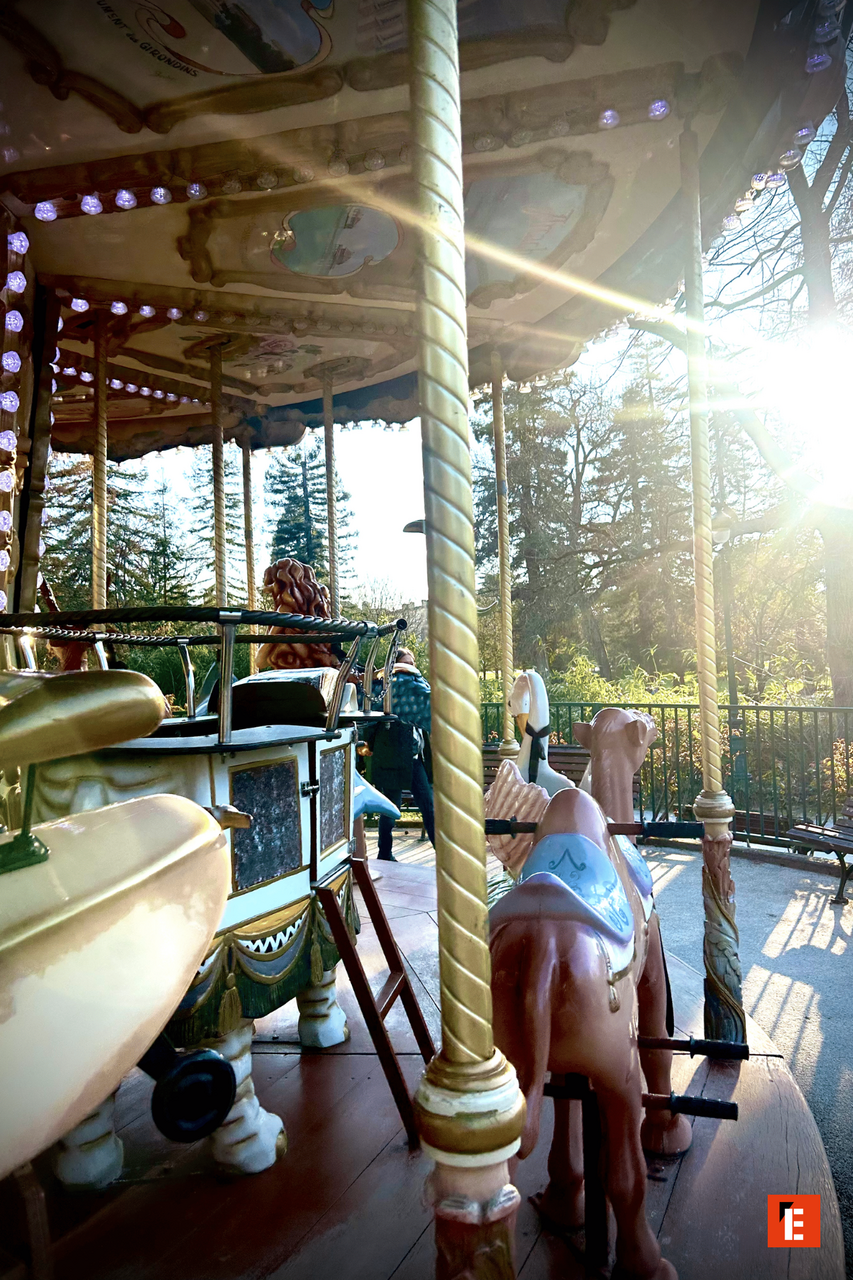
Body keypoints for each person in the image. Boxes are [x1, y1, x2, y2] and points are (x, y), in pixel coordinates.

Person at [361, 648, 435, 861]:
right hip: (393, 756)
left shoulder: (416, 688)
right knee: (390, 808)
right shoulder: (391, 690)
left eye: (412, 663)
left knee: (427, 805)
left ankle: (441, 849)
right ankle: (385, 853)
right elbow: (374, 722)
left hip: (413, 759)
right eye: (406, 663)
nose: (410, 667)